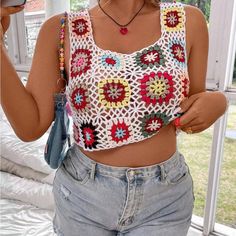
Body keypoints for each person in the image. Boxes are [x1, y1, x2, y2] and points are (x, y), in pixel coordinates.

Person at [0, 0, 228, 235]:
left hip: (164, 202)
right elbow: (30, 127)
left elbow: (191, 111)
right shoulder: (60, 29)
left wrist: (219, 102)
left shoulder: (188, 21)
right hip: (83, 198)